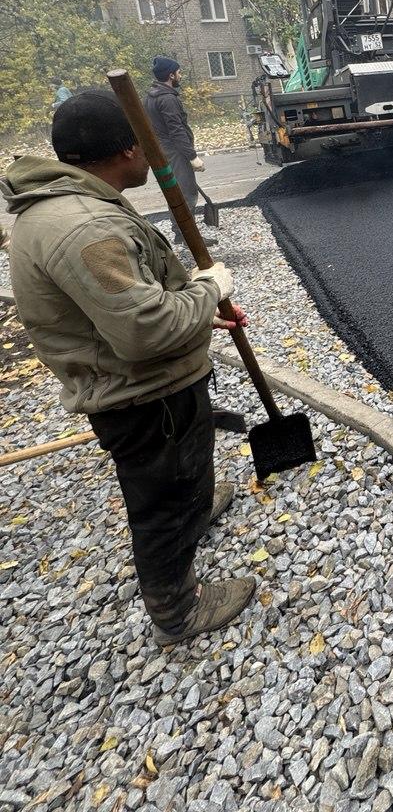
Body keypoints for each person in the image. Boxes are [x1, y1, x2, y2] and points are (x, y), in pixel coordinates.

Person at [0, 92, 255, 645]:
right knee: (162, 501)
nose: (153, 159)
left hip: (143, 381)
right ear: (128, 150)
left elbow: (120, 305)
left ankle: (198, 501)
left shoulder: (73, 202)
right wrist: (208, 293)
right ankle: (178, 611)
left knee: (185, 470)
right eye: (148, 148)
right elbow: (143, 331)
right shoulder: (84, 227)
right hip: (144, 395)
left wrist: (189, 316)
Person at [144, 55, 211, 247]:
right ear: (171, 75)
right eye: (178, 72)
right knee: (185, 194)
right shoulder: (167, 99)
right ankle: (189, 237)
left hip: (164, 150)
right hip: (175, 152)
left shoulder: (151, 95)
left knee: (176, 193)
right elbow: (176, 130)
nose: (180, 75)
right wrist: (192, 156)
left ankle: (181, 232)